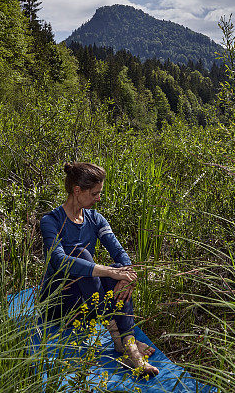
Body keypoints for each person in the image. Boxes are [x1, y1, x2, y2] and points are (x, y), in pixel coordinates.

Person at [38, 161, 159, 377]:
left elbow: (119, 252)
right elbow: (59, 260)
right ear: (77, 190)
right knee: (81, 255)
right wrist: (109, 272)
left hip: (89, 303)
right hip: (58, 303)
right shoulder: (50, 221)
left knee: (117, 269)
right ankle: (120, 338)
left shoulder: (95, 218)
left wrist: (126, 274)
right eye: (95, 193)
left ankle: (127, 343)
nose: (99, 198)